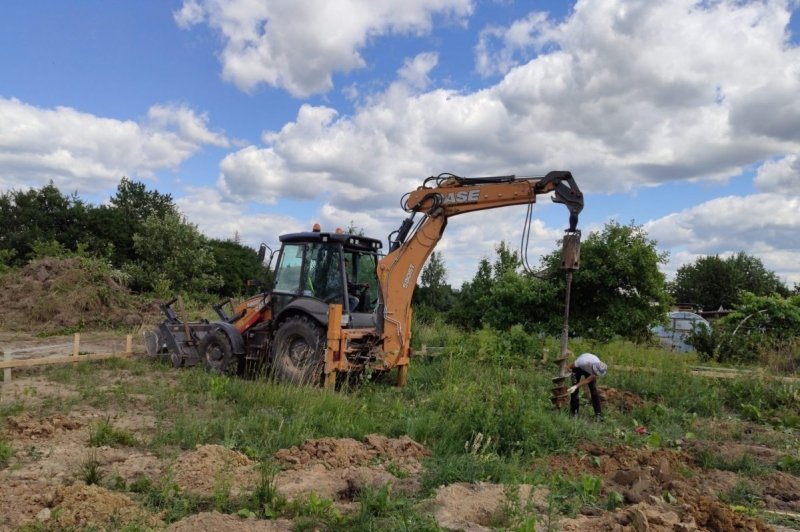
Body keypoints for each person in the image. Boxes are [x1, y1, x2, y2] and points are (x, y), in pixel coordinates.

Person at [566, 350, 608, 421]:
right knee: (574, 391)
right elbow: (569, 367)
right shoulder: (582, 361)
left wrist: (577, 386)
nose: (595, 374)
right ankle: (574, 413)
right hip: (578, 368)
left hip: (587, 369)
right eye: (595, 372)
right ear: (594, 367)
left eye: (596, 374)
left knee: (594, 390)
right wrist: (574, 384)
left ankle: (598, 414)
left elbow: (588, 380)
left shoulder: (599, 367)